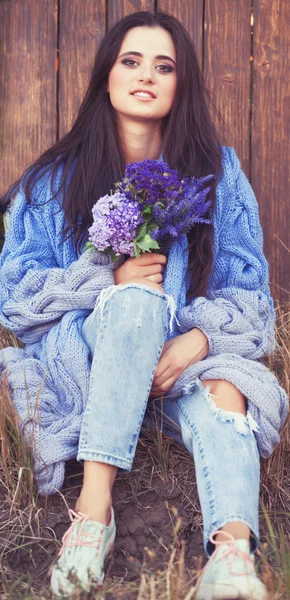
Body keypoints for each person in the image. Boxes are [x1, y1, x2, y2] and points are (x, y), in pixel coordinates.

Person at [0, 10, 288, 600]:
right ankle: (93, 515)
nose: (146, 76)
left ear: (182, 84)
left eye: (164, 66)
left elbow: (250, 295)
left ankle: (231, 560)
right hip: (88, 358)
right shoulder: (51, 180)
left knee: (229, 390)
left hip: (177, 367)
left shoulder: (217, 173)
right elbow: (16, 299)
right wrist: (105, 275)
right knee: (134, 299)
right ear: (107, 73)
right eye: (131, 61)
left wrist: (197, 342)